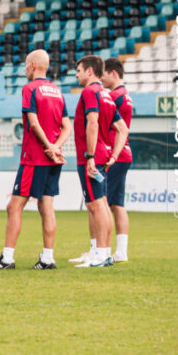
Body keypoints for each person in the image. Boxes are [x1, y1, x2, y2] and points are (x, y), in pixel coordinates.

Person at [0, 50, 70, 270]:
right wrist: (56, 147)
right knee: (47, 206)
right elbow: (67, 126)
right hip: (53, 158)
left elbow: (33, 122)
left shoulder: (29, 89)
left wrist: (48, 146)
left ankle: (7, 258)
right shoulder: (57, 91)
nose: (23, 69)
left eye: (24, 65)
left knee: (14, 206)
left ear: (32, 66)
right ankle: (48, 258)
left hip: (34, 158)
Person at [71, 55, 128, 268]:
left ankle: (102, 254)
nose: (76, 74)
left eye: (79, 70)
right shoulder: (105, 95)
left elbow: (92, 122)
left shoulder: (90, 92)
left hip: (91, 157)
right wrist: (113, 155)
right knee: (98, 203)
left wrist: (91, 156)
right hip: (102, 155)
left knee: (98, 205)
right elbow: (122, 129)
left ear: (89, 72)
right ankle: (98, 252)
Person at [103, 58, 133, 263]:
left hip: (114, 153)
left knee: (100, 203)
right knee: (117, 204)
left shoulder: (114, 96)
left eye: (103, 74)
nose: (101, 79)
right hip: (124, 153)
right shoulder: (126, 96)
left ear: (114, 74)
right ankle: (121, 251)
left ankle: (99, 249)